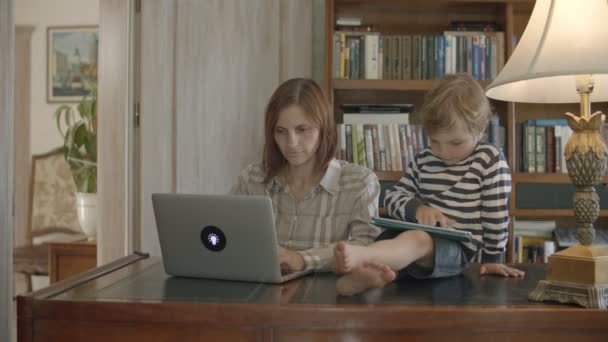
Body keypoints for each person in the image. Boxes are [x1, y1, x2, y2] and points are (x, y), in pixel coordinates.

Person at [334, 73, 525, 296]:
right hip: (408, 240)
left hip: (456, 248)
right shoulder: (424, 158)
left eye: (455, 142)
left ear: (480, 129)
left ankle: (361, 258)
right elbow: (393, 195)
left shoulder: (489, 159)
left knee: (418, 240)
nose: (443, 152)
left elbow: (496, 215)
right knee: (393, 240)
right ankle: (364, 277)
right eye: (434, 141)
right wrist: (417, 208)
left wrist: (493, 259)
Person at [231, 78, 381, 273]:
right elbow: (228, 234)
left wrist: (302, 259)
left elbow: (366, 246)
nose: (291, 143)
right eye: (281, 131)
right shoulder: (252, 178)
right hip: (260, 289)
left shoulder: (359, 182)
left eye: (302, 130)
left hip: (327, 294)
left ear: (324, 128)